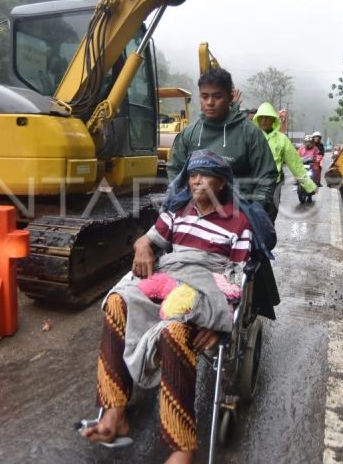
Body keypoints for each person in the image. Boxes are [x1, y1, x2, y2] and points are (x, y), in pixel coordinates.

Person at [80, 150, 254, 464]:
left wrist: (220, 318)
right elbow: (147, 240)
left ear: (222, 183)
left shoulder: (238, 221)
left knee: (175, 331)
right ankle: (115, 410)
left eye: (207, 175)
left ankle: (182, 447)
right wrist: (144, 247)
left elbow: (237, 277)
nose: (198, 181)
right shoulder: (176, 210)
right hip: (169, 275)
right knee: (117, 302)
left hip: (204, 287)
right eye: (193, 175)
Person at [167, 68, 277, 211]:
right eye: (204, 96)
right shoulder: (189, 133)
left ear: (230, 98)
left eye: (217, 96)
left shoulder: (250, 133)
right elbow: (175, 172)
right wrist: (186, 207)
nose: (210, 102)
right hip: (197, 215)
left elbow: (267, 176)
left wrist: (253, 212)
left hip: (239, 214)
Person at [252, 102, 317, 221]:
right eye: (261, 117)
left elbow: (295, 164)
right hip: (253, 186)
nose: (264, 120)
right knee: (252, 222)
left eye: (267, 117)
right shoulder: (251, 136)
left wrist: (308, 184)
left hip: (273, 187)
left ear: (273, 120)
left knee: (269, 222)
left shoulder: (282, 140)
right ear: (257, 119)